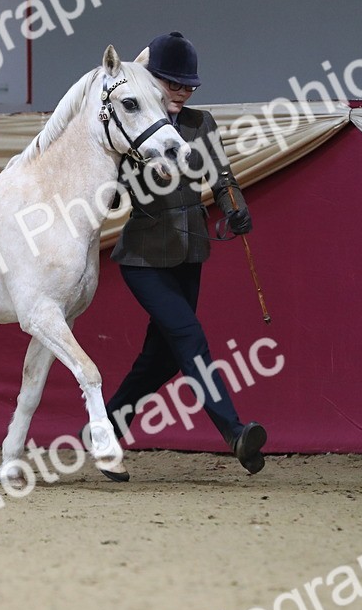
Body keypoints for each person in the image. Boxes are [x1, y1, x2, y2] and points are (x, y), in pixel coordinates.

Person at [105, 31, 267, 476]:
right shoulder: (131, 124)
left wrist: (236, 209)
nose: (182, 91)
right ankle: (234, 432)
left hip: (191, 251)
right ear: (150, 80)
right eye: (172, 83)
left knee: (159, 359)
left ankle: (102, 429)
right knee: (191, 340)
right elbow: (112, 191)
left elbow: (222, 177)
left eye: (188, 85)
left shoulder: (201, 123)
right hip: (143, 258)